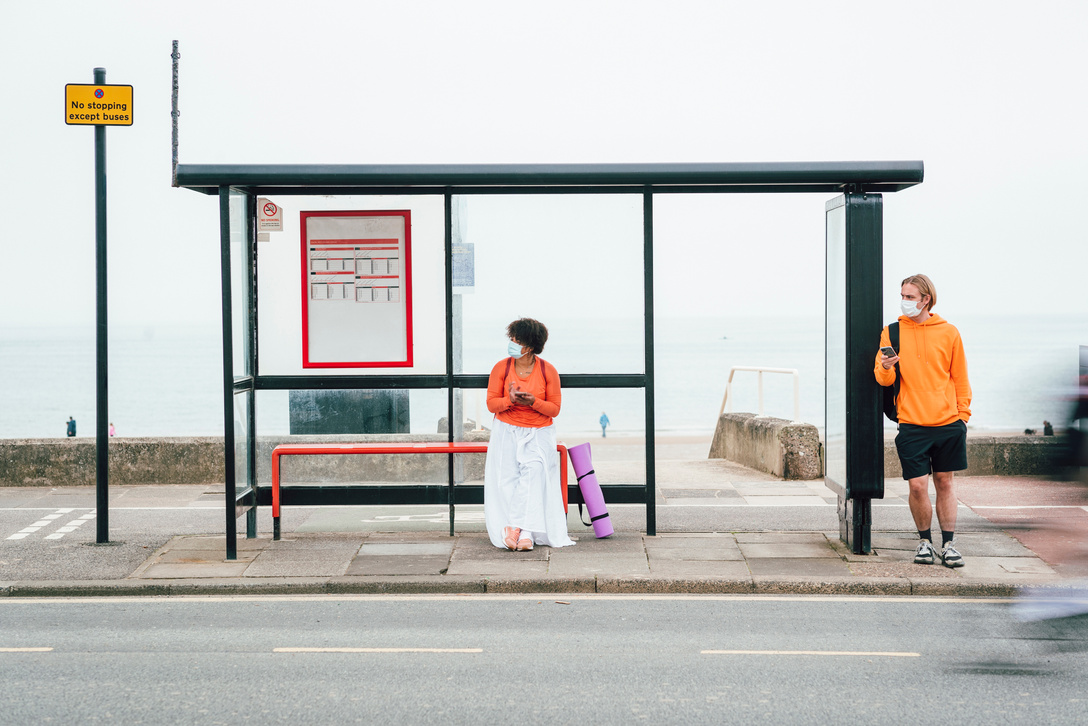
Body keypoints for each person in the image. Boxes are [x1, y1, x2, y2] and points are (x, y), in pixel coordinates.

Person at [875, 274, 971, 568]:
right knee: (917, 486)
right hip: (912, 424)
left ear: (925, 299)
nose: (905, 302)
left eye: (910, 297)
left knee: (945, 482)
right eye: (902, 296)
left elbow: (960, 378)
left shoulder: (949, 332)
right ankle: (925, 542)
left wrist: (963, 416)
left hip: (947, 423)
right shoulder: (892, 332)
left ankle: (950, 544)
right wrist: (887, 366)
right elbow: (882, 378)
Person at [484, 318, 574, 552]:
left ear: (531, 346)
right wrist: (510, 400)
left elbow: (554, 409)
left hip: (539, 431)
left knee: (533, 474)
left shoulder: (548, 370)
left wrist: (533, 402)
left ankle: (516, 527)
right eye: (512, 339)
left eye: (518, 340)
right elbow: (492, 404)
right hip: (506, 429)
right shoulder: (501, 368)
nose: (512, 343)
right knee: (508, 479)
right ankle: (524, 532)